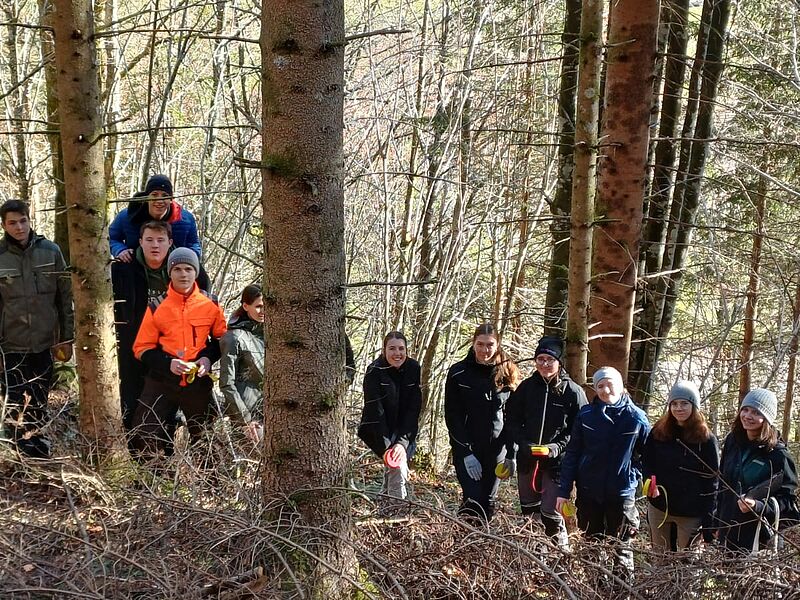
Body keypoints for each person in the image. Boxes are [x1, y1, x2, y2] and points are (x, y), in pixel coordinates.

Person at [111, 221, 210, 430]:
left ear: (170, 242)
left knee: (172, 408)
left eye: (160, 240)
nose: (155, 245)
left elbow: (205, 312)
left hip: (174, 350)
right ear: (140, 242)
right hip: (133, 346)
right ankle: (133, 445)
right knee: (133, 400)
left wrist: (205, 354)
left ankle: (170, 446)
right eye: (149, 240)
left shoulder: (187, 269)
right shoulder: (123, 269)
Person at [130, 248, 226, 458]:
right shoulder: (157, 306)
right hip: (162, 379)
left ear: (196, 272)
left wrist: (207, 359)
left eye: (189, 269)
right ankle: (155, 474)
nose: (183, 274)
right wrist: (168, 364)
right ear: (170, 272)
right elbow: (141, 348)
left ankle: (205, 477)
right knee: (144, 432)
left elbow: (222, 340)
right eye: (178, 269)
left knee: (206, 438)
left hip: (197, 380)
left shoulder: (211, 303)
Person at [556, 367, 650, 578]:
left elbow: (649, 456)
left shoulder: (636, 417)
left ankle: (622, 588)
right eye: (600, 386)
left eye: (610, 384)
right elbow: (572, 454)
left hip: (622, 493)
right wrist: (564, 490)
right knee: (591, 543)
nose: (606, 390)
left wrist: (633, 475)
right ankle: (593, 587)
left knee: (622, 546)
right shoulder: (586, 415)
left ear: (621, 386)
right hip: (589, 491)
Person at [0, 200, 73, 458]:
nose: (19, 227)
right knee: (14, 398)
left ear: (30, 220)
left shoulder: (50, 251)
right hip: (11, 343)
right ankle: (18, 451)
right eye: (12, 223)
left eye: (23, 221)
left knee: (40, 396)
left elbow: (65, 297)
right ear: (4, 225)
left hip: (45, 341)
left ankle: (39, 448)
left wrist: (67, 337)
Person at [504, 336, 587, 548]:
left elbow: (579, 430)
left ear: (559, 362)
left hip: (558, 464)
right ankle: (534, 555)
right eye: (540, 359)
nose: (545, 364)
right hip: (528, 460)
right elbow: (511, 419)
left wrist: (556, 448)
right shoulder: (526, 388)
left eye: (550, 360)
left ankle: (560, 558)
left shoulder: (573, 392)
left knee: (551, 514)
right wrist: (523, 443)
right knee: (529, 512)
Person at [445, 323, 520, 521]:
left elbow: (513, 418)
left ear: (497, 345)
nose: (484, 350)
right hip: (467, 447)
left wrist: (512, 454)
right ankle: (463, 536)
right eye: (480, 344)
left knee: (487, 501)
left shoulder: (507, 373)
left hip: (496, 449)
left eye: (489, 345)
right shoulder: (458, 373)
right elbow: (452, 416)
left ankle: (482, 538)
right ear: (473, 343)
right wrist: (465, 452)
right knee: (472, 499)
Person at [714, 388, 799, 554]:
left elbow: (788, 503)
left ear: (767, 418)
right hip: (727, 531)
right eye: (745, 409)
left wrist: (759, 506)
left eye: (756, 412)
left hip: (758, 539)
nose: (747, 416)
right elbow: (723, 484)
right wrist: (716, 521)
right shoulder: (733, 441)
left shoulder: (778, 455)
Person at [641, 380, 719, 550]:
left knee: (689, 561)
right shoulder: (658, 432)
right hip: (660, 508)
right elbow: (647, 462)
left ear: (694, 406)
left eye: (684, 403)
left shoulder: (706, 440)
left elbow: (712, 482)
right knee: (660, 558)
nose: (679, 408)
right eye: (674, 404)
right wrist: (650, 483)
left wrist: (709, 520)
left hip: (691, 513)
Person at [358, 331, 422, 500]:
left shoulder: (413, 368)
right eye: (392, 348)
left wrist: (401, 443)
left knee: (395, 468)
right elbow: (374, 411)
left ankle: (386, 504)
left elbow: (413, 409)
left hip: (404, 429)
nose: (397, 353)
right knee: (397, 467)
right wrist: (387, 448)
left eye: (401, 348)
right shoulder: (374, 371)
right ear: (384, 350)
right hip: (378, 429)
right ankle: (397, 508)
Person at [109, 174, 201, 262]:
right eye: (154, 194)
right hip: (134, 264)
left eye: (165, 195)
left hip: (174, 266)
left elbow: (194, 244)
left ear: (171, 199)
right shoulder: (127, 216)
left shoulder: (185, 219)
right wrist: (120, 250)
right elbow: (110, 238)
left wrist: (189, 259)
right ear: (146, 197)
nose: (159, 200)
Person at [219, 284, 265, 443]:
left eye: (267, 306)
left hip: (273, 411)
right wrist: (245, 420)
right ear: (245, 306)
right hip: (247, 415)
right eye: (258, 306)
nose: (263, 311)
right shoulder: (234, 337)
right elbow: (227, 383)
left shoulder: (273, 334)